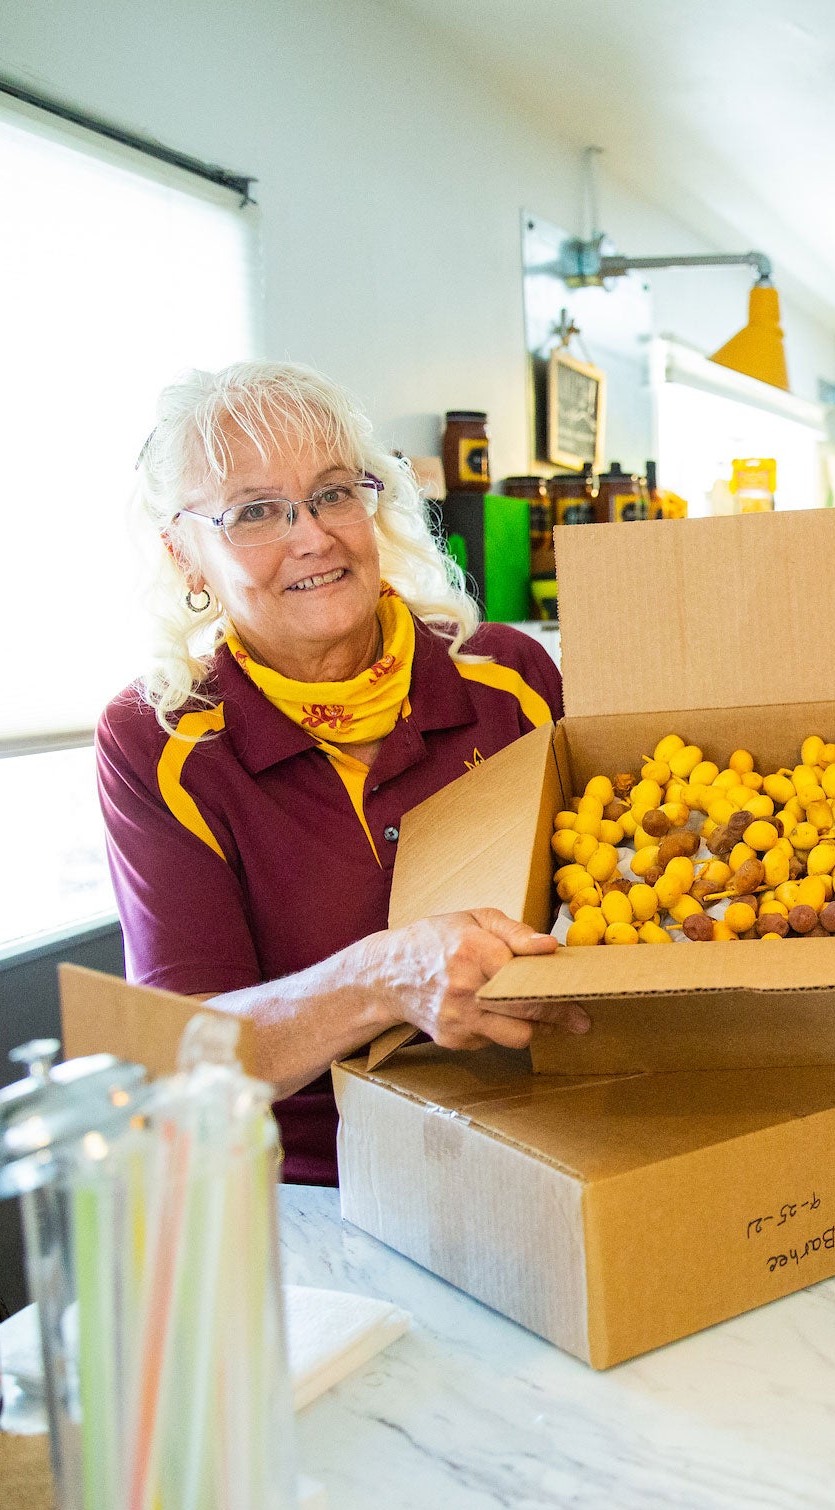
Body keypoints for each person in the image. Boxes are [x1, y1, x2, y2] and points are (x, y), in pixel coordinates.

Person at [99, 361, 592, 1183]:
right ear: (185, 556)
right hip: (316, 1191)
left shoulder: (508, 675)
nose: (312, 536)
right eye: (255, 512)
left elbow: (610, 889)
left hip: (555, 1141)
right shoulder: (160, 743)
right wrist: (384, 977)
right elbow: (178, 1060)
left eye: (333, 493)